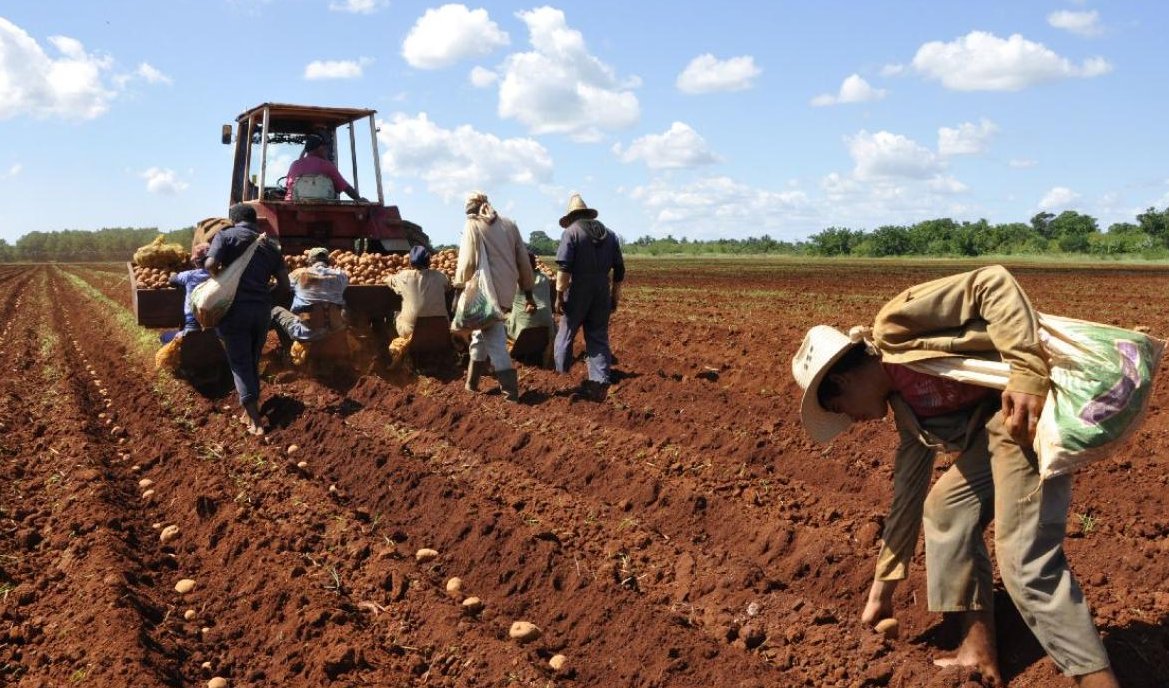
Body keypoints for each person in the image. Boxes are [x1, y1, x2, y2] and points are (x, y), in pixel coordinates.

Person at [790, 266, 1118, 688]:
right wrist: (880, 596)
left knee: (1023, 561)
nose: (848, 420)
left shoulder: (896, 328)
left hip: (1028, 414)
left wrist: (1026, 372)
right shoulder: (910, 416)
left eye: (838, 408)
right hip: (998, 428)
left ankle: (1099, 681)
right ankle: (977, 652)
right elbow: (905, 503)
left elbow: (992, 283)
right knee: (945, 509)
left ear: (842, 379)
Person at [206, 203, 289, 436]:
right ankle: (251, 409)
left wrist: (223, 284)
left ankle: (256, 421)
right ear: (255, 221)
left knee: (240, 363)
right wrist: (265, 299)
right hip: (261, 311)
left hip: (234, 311)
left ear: (233, 220)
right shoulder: (270, 245)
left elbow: (211, 264)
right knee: (252, 358)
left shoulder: (226, 236)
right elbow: (285, 286)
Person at [454, 191, 536, 401]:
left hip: (486, 292)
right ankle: (471, 384)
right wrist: (528, 293)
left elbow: (466, 263)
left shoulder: (472, 225)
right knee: (482, 333)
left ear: (470, 210)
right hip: (507, 291)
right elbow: (524, 262)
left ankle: (510, 393)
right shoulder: (509, 224)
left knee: (495, 340)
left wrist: (458, 291)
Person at [553, 193, 625, 401]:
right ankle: (601, 380)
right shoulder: (610, 235)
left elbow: (564, 268)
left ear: (572, 217)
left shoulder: (571, 233)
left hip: (578, 289)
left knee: (566, 332)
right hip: (602, 288)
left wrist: (559, 295)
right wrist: (614, 296)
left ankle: (562, 377)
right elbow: (619, 269)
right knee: (598, 335)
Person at [270, 246, 348, 349]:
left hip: (307, 332)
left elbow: (284, 285)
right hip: (335, 329)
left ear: (310, 261)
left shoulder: (299, 273)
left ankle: (287, 349)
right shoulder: (341, 275)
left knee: (275, 310)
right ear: (328, 261)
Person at [389, 245, 450, 338]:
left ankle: (400, 345)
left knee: (397, 314)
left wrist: (389, 278)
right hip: (441, 330)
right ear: (429, 261)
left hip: (411, 334)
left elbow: (389, 280)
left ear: (410, 263)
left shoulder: (404, 276)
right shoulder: (440, 276)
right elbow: (448, 286)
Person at [283, 133, 365, 202]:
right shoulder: (327, 166)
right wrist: (359, 199)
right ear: (320, 148)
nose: (326, 150)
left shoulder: (294, 165)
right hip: (323, 212)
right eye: (324, 147)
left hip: (293, 210)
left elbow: (288, 186)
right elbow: (346, 188)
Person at [506, 250, 555, 363]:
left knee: (501, 321)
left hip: (523, 326)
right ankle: (546, 356)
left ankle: (508, 359)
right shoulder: (544, 278)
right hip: (546, 324)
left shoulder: (515, 280)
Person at [160, 242, 213, 344]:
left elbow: (172, 279)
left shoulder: (190, 275)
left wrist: (173, 272)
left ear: (196, 261)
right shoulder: (220, 275)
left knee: (164, 337)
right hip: (215, 329)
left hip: (193, 328)